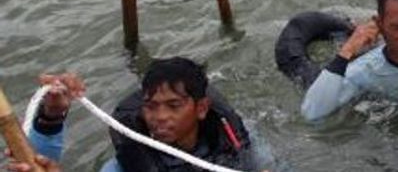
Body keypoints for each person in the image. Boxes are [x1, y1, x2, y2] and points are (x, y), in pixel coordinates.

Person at [10, 57, 270, 172]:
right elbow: (35, 162)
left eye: (173, 105)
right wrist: (53, 113)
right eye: (151, 106)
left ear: (201, 108)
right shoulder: (120, 167)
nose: (159, 116)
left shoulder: (233, 139)